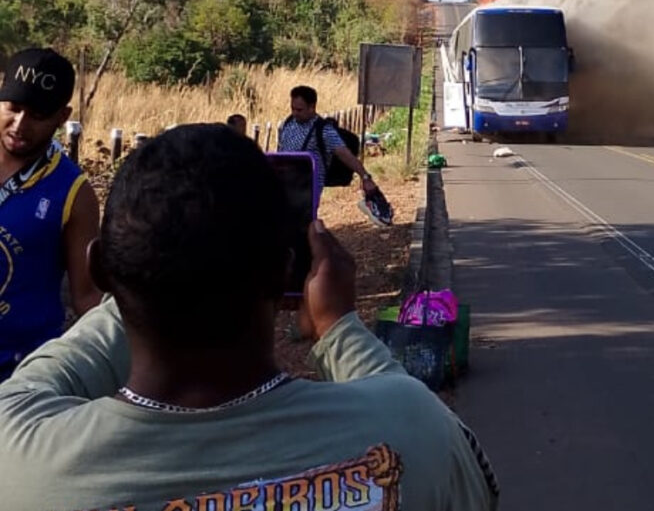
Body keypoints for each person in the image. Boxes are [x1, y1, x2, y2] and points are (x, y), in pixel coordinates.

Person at [0, 123, 499, 511]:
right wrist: (338, 328)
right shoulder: (414, 430)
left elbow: (39, 382)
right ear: (286, 269)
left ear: (100, 269)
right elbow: (429, 430)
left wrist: (149, 268)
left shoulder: (19, 457)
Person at [0, 47, 101, 382]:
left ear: (63, 116)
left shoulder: (73, 193)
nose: (20, 124)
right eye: (13, 108)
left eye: (38, 115)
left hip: (17, 379)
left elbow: (86, 296)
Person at [279, 85, 392, 227]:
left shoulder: (324, 130)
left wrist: (365, 177)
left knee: (302, 226)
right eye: (293, 108)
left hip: (307, 189)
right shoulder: (288, 124)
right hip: (284, 185)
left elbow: (345, 154)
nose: (295, 113)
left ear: (312, 107)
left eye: (299, 110)